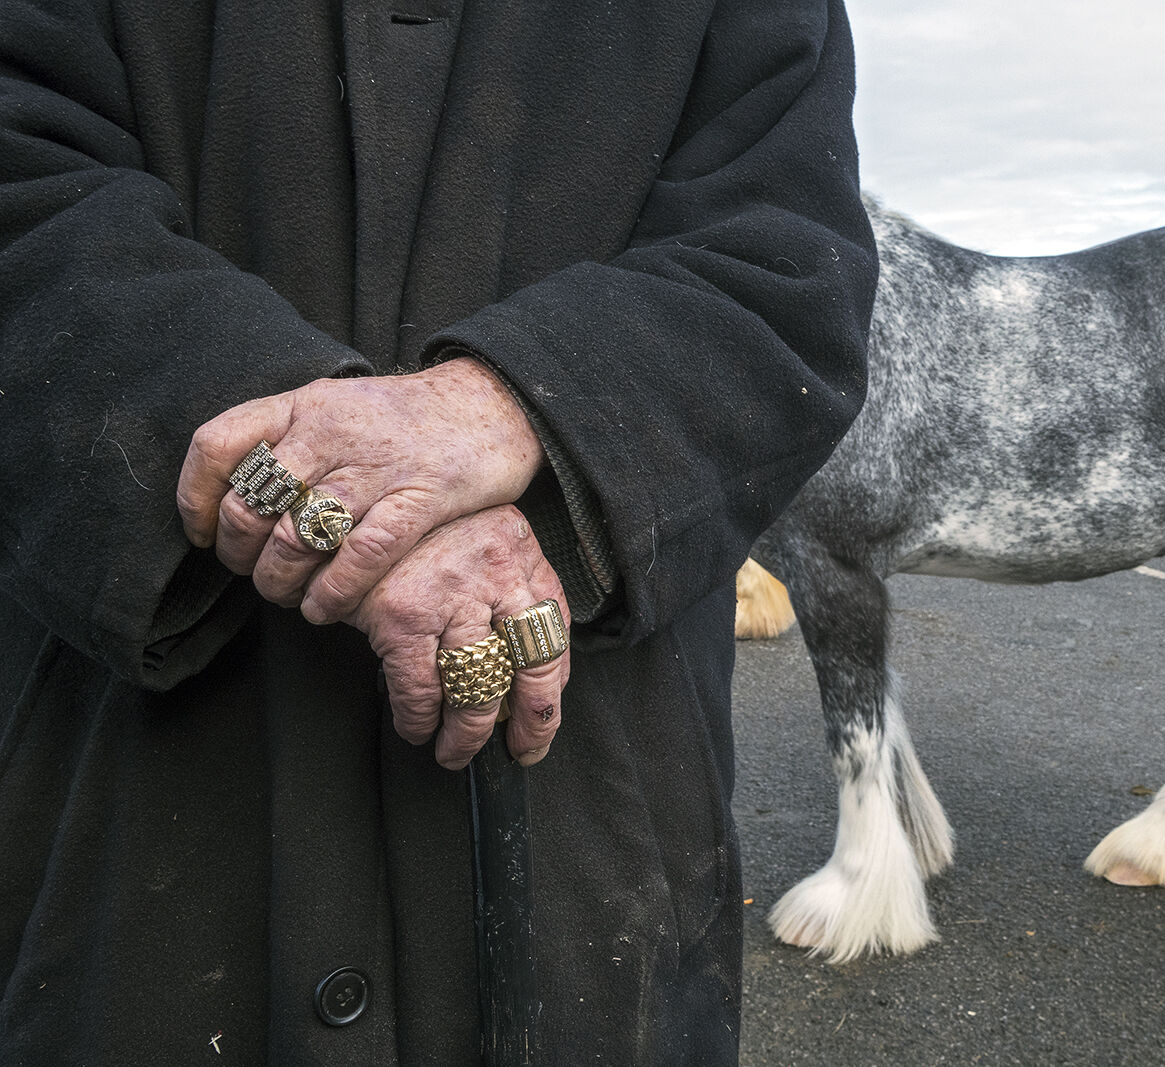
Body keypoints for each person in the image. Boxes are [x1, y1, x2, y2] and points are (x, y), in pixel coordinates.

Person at [0, 1, 876, 1063]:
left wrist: (516, 414)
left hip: (596, 841)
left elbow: (786, 268)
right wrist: (354, 480)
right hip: (135, 822)